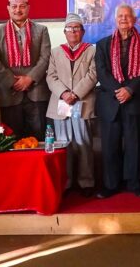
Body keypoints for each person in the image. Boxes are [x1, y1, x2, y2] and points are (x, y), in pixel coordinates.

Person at [95, 4, 140, 199]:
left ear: (134, 19)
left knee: (135, 145)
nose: (123, 19)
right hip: (110, 101)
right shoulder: (103, 44)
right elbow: (101, 72)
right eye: (120, 16)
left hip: (135, 100)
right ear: (115, 19)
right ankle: (110, 185)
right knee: (110, 145)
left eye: (127, 16)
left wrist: (129, 89)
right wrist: (119, 90)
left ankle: (135, 183)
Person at [0, 0, 52, 140]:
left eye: (22, 6)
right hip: (8, 93)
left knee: (39, 139)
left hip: (36, 91)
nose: (18, 10)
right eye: (14, 6)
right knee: (12, 140)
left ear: (28, 8)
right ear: (8, 8)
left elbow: (45, 57)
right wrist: (13, 81)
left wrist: (29, 79)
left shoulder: (41, 30)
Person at [46, 13, 97, 198]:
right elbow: (51, 76)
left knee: (83, 143)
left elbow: (93, 74)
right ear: (64, 32)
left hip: (82, 101)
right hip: (61, 102)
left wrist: (75, 93)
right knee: (64, 143)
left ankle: (86, 181)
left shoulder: (92, 51)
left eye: (77, 28)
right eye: (70, 28)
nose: (73, 31)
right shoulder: (56, 52)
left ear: (82, 31)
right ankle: (66, 182)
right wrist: (64, 93)